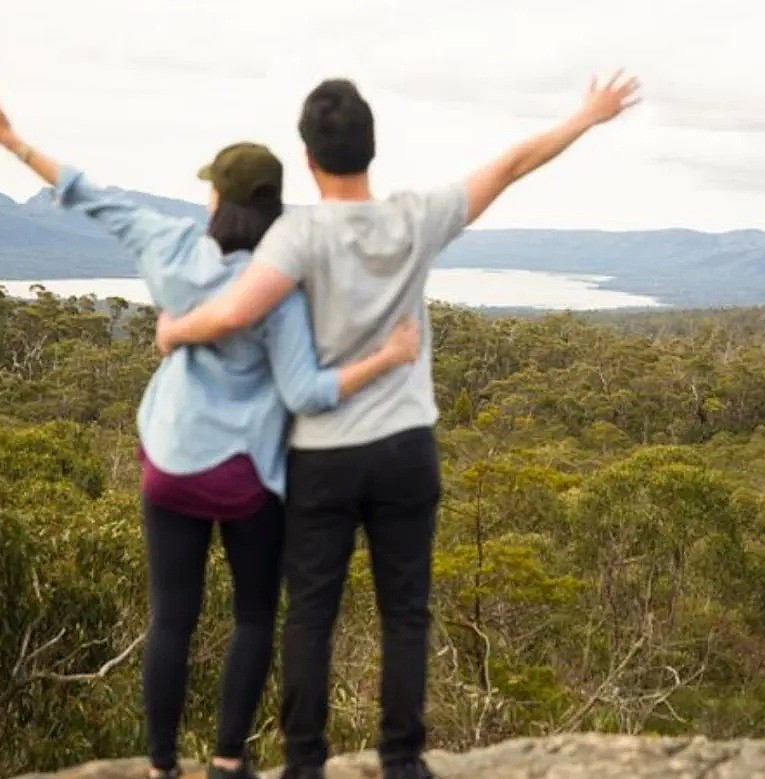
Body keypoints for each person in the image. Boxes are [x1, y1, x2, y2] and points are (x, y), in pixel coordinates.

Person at [154, 72, 642, 779]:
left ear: (309, 158)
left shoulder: (295, 236)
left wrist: (174, 332)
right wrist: (587, 115)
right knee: (404, 609)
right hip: (407, 446)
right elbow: (512, 163)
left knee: (310, 612)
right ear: (371, 150)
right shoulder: (416, 217)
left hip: (322, 454)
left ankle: (304, 763)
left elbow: (233, 313)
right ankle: (403, 759)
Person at [0, 95, 422, 779]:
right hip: (248, 476)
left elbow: (86, 192)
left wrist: (10, 140)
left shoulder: (166, 244)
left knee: (171, 617)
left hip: (170, 463)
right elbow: (307, 394)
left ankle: (162, 766)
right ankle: (229, 760)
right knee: (255, 616)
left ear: (216, 197)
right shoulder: (282, 289)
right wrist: (387, 357)